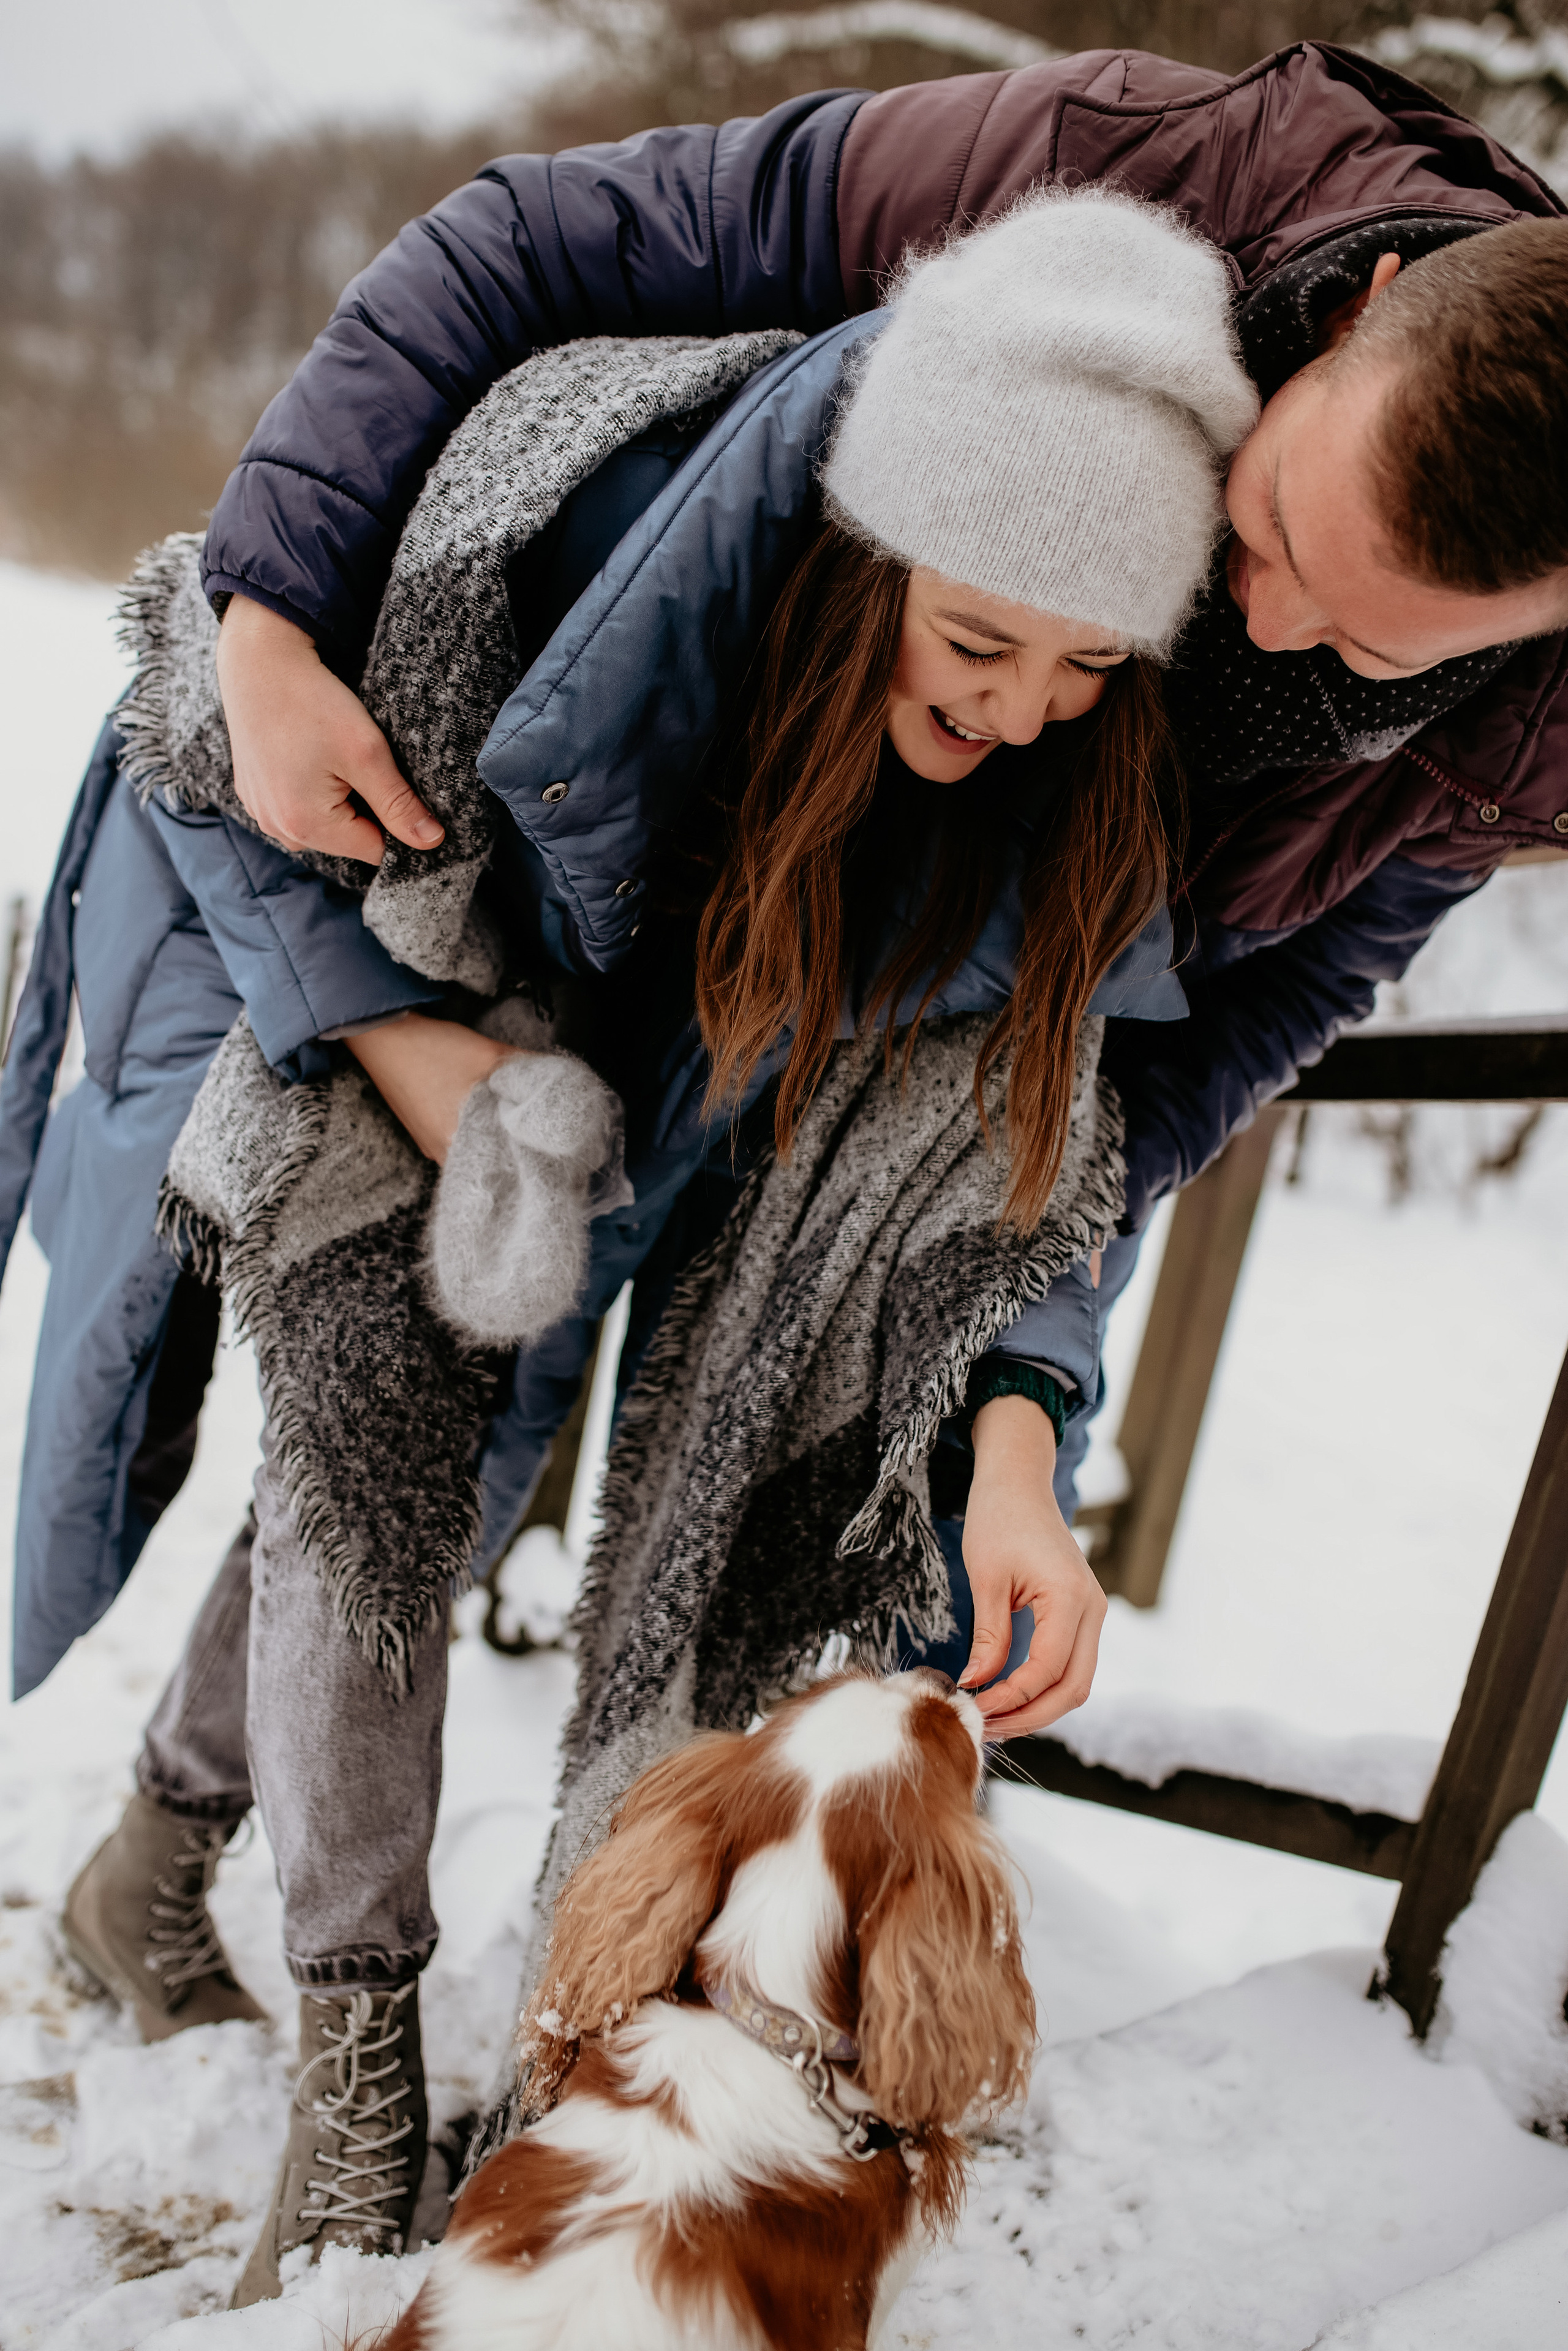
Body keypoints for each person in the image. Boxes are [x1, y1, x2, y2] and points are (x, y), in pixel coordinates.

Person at [2, 184, 1256, 2299]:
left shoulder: (1031, 773)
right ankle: (359, 2035)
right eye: (979, 645)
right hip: (315, 912)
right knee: (371, 1427)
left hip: (602, 1009)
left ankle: (160, 1854)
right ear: (861, 560)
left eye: (1087, 664)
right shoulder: (571, 539)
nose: (1033, 705)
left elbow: (1032, 1139)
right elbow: (206, 728)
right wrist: (417, 1069)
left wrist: (1024, 1412)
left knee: (465, 1455)